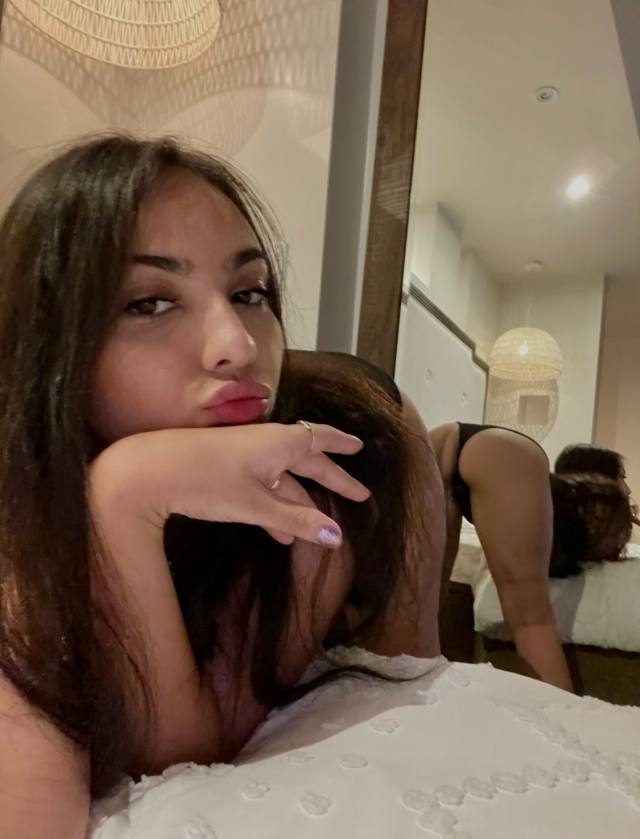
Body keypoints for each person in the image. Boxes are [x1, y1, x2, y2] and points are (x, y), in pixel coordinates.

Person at [0, 134, 445, 838]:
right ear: (48, 341)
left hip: (378, 429)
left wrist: (124, 496)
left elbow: (183, 751)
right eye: (150, 303)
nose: (238, 344)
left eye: (249, 293)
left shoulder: (319, 471)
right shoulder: (23, 491)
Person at [430, 422, 637, 693]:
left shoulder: (529, 506)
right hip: (480, 454)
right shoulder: (525, 492)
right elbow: (531, 624)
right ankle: (561, 712)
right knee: (531, 621)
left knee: (429, 604)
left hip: (454, 455)